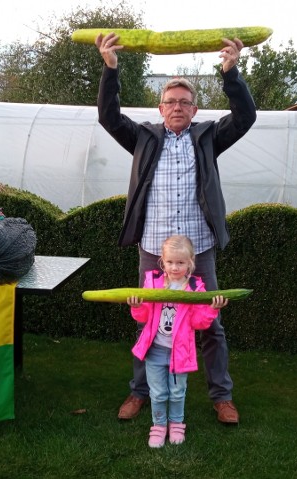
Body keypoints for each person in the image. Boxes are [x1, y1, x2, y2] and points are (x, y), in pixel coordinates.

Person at [95, 32, 257, 425]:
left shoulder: (208, 137)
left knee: (211, 323)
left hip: (199, 249)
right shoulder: (143, 138)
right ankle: (139, 393)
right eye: (171, 102)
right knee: (149, 320)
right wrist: (111, 69)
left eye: (185, 102)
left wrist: (231, 73)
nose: (177, 107)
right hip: (153, 249)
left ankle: (222, 397)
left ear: (195, 108)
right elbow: (108, 117)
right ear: (160, 107)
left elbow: (245, 117)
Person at [127, 235, 229, 447]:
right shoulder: (152, 282)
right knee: (158, 392)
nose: (174, 267)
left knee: (176, 392)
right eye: (170, 262)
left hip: (179, 351)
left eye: (181, 262)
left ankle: (176, 424)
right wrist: (137, 306)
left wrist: (212, 309)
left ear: (190, 262)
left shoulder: (195, 288)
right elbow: (144, 316)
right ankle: (158, 425)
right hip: (155, 350)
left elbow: (199, 322)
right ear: (162, 261)